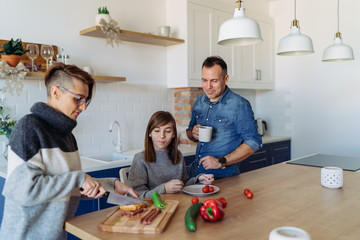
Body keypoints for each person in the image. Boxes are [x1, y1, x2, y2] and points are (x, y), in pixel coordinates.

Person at [0, 63, 138, 240]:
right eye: (78, 99)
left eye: (85, 100)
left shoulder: (67, 136)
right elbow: (24, 190)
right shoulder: (29, 128)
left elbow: (65, 187)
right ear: (56, 92)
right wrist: (80, 178)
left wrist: (111, 185)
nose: (83, 107)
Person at [187, 56, 262, 179]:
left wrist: (220, 161)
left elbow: (253, 142)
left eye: (214, 81)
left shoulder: (239, 105)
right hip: (196, 176)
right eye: (204, 80)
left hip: (224, 178)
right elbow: (190, 133)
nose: (208, 86)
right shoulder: (199, 102)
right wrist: (192, 133)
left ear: (226, 79)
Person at [126, 111, 214, 199]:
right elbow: (134, 196)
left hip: (176, 204)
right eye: (157, 131)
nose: (162, 136)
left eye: (167, 131)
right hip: (152, 209)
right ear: (150, 133)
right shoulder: (140, 159)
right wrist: (163, 188)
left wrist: (198, 179)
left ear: (173, 134)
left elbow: (183, 183)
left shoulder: (178, 155)